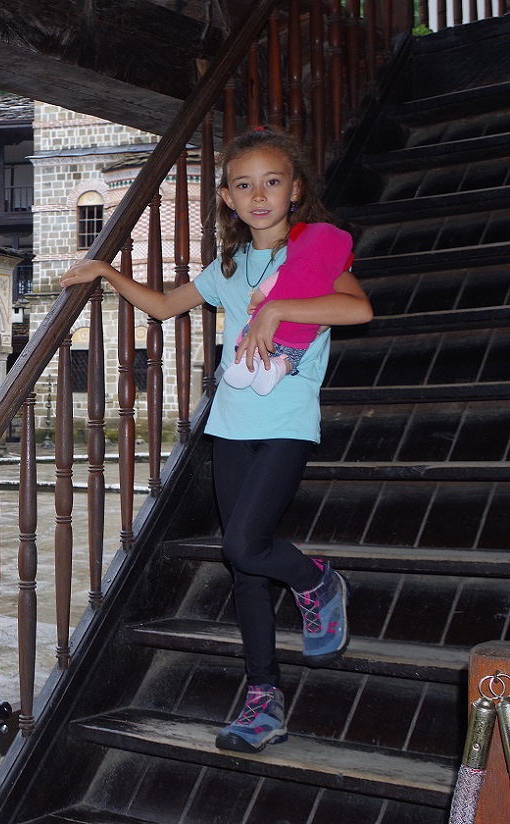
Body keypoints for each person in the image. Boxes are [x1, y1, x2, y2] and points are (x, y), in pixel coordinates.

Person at [60, 128, 372, 754]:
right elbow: (165, 305)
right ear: (228, 198)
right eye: (244, 185)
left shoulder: (312, 254)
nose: (259, 195)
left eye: (273, 182)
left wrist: (278, 310)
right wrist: (103, 271)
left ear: (296, 191)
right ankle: (264, 699)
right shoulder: (229, 265)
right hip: (229, 426)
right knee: (244, 567)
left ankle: (316, 582)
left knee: (244, 543)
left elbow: (357, 311)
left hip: (284, 423)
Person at [223, 220, 353, 395]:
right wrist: (319, 330)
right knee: (290, 358)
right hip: (297, 341)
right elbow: (327, 318)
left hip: (265, 333)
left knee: (251, 340)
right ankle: (278, 368)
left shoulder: (288, 271)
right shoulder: (329, 288)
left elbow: (263, 290)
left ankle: (249, 359)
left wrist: (254, 303)